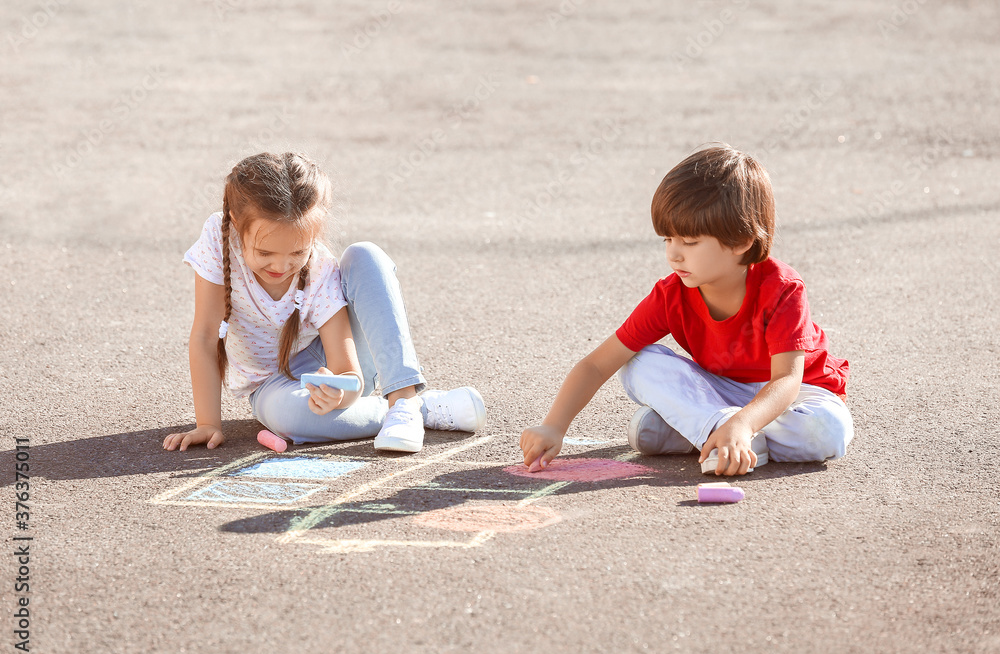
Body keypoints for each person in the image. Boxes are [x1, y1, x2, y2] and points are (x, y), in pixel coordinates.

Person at [520, 143, 852, 476]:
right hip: (720, 389)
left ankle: (707, 430)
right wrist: (554, 425)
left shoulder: (782, 288)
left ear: (741, 241)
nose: (674, 254)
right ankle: (721, 430)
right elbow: (596, 365)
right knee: (638, 363)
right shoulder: (671, 295)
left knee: (828, 432)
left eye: (690, 242)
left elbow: (786, 381)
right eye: (668, 239)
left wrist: (745, 423)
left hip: (797, 397)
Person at [163, 152, 486, 453]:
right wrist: (207, 423)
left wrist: (341, 394)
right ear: (235, 222)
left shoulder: (319, 269)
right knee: (291, 419)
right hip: (270, 385)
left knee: (365, 255)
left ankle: (403, 399)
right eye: (264, 253)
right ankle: (424, 408)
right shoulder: (218, 239)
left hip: (329, 363)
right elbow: (206, 335)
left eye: (297, 253)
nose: (280, 266)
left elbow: (349, 374)